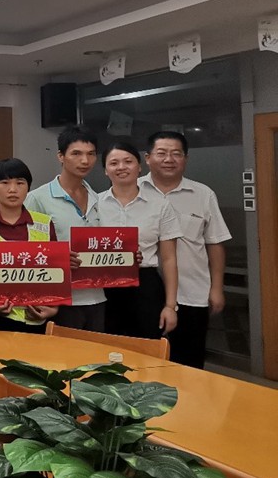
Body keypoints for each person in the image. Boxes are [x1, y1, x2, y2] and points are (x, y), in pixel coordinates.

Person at [139, 131, 231, 368]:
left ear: (185, 159)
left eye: (176, 154)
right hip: (144, 294)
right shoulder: (132, 190)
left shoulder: (203, 194)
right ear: (148, 158)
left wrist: (217, 288)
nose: (169, 159)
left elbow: (215, 243)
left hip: (192, 292)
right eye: (161, 153)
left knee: (189, 363)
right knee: (145, 363)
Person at [25, 126, 105, 331]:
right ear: (61, 156)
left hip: (97, 297)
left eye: (91, 154)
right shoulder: (38, 198)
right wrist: (56, 257)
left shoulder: (99, 198)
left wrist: (126, 257)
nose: (85, 161)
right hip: (59, 300)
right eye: (76, 154)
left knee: (97, 352)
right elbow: (25, 249)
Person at [97, 142, 181, 340]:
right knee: (107, 347)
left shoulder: (160, 205)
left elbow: (169, 259)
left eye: (128, 161)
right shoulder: (93, 204)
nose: (121, 167)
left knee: (146, 346)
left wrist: (170, 306)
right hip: (103, 286)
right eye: (114, 163)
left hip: (145, 285)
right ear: (105, 170)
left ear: (140, 166)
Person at [0, 158, 58, 332]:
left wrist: (53, 308)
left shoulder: (44, 223)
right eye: (5, 183)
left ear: (28, 187)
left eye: (20, 183)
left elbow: (55, 272)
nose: (13, 189)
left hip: (36, 319)